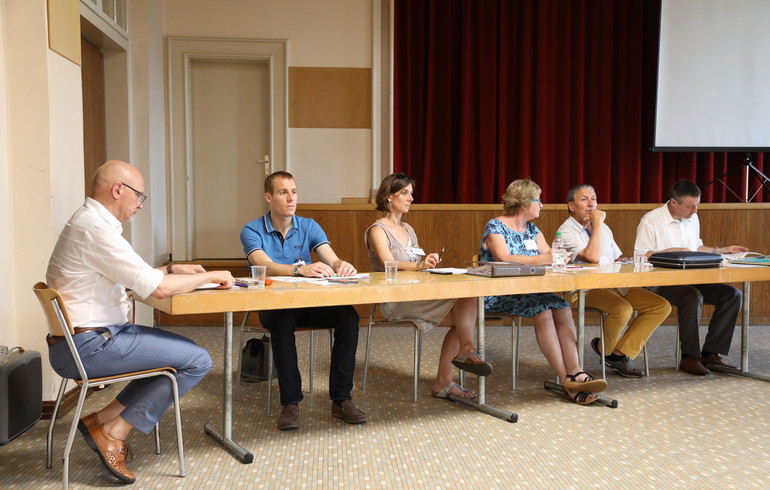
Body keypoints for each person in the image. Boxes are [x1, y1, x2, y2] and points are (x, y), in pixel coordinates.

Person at [46, 160, 234, 484]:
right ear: (118, 190)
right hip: (91, 345)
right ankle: (113, 432)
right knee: (197, 360)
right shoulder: (96, 229)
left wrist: (173, 269)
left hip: (81, 341)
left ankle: (102, 419)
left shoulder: (88, 223)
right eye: (139, 196)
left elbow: (138, 277)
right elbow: (157, 290)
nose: (140, 205)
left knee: (184, 352)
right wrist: (216, 273)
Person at [240, 171, 366, 430]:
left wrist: (343, 265)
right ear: (268, 197)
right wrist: (300, 269)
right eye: (283, 192)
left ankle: (341, 399)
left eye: (294, 192)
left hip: (308, 303)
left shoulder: (309, 225)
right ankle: (290, 402)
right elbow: (263, 264)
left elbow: (331, 258)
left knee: (348, 315)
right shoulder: (251, 230)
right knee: (283, 318)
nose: (291, 198)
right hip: (273, 306)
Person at [365, 173, 492, 400]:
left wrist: (428, 263)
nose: (411, 198)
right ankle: (454, 368)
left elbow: (417, 264)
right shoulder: (377, 230)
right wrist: (419, 265)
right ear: (388, 197)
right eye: (404, 193)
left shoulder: (408, 229)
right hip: (395, 299)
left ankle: (462, 356)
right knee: (464, 322)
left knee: (467, 301)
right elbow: (387, 264)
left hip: (417, 292)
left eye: (411, 193)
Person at [480, 179, 607, 405]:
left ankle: (576, 371)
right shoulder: (495, 226)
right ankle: (565, 378)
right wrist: (545, 259)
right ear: (523, 203)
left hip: (530, 292)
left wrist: (561, 259)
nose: (542, 205)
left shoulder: (533, 229)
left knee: (562, 306)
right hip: (499, 293)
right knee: (544, 311)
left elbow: (551, 255)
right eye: (538, 200)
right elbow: (504, 259)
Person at [634, 179, 747, 375]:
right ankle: (689, 357)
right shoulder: (650, 220)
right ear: (673, 202)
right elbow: (640, 256)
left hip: (690, 278)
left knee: (732, 295)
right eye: (690, 207)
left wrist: (721, 251)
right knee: (692, 296)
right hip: (659, 282)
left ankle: (711, 354)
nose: (695, 211)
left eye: (696, 206)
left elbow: (696, 248)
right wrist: (671, 252)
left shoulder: (692, 218)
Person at [557, 184, 671, 377]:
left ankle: (618, 353)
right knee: (623, 308)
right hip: (585, 289)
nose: (591, 204)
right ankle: (606, 350)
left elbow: (616, 258)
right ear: (571, 206)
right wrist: (598, 225)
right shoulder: (566, 231)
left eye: (593, 199)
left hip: (614, 284)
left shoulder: (603, 228)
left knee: (660, 306)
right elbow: (592, 257)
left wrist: (630, 263)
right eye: (584, 199)